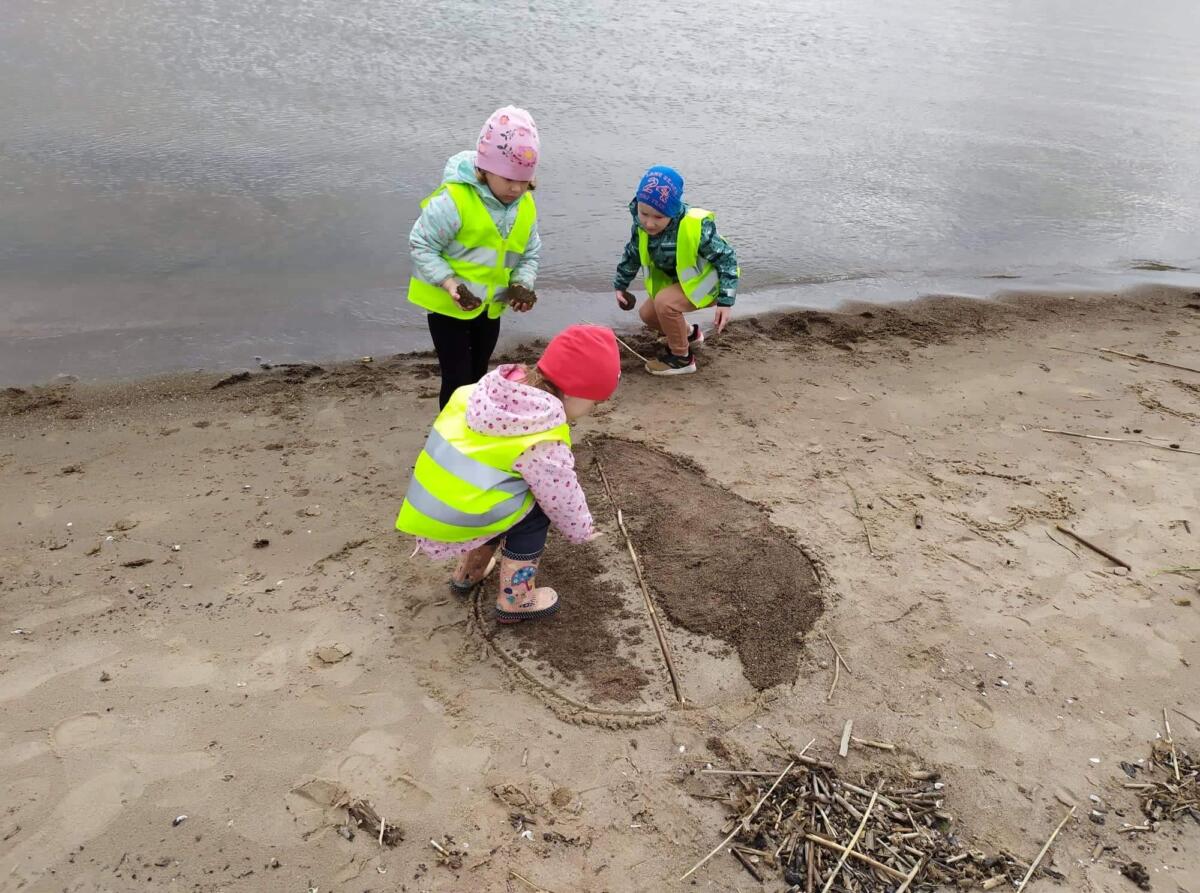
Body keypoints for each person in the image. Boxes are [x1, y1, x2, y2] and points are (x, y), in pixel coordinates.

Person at [395, 325, 620, 624]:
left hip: (428, 505)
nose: (594, 409)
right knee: (536, 510)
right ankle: (517, 599)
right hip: (463, 515)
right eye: (595, 401)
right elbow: (561, 497)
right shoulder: (541, 434)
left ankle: (468, 571)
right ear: (574, 391)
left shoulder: (482, 392)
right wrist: (582, 530)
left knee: (499, 491)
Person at [408, 106, 543, 408]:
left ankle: (473, 427)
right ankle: (450, 433)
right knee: (457, 379)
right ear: (485, 168)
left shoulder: (525, 206)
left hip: (489, 309)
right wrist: (449, 283)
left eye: (524, 180)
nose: (516, 188)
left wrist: (521, 285)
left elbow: (529, 253)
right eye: (507, 178)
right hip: (447, 307)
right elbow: (421, 244)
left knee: (478, 374)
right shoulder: (454, 200)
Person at [612, 165, 740, 376]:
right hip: (682, 283)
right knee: (647, 314)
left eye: (658, 217)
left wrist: (726, 302)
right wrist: (621, 285)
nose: (649, 223)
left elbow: (727, 259)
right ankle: (689, 335)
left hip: (710, 284)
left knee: (665, 303)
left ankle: (682, 358)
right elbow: (632, 254)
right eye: (644, 214)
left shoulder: (695, 227)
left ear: (672, 212)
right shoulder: (640, 226)